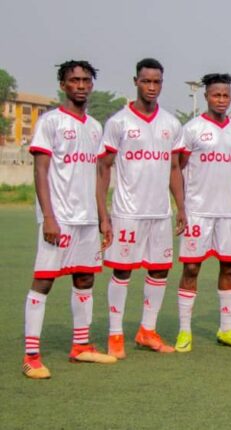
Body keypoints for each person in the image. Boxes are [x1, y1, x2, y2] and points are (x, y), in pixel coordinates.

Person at [23, 60, 116, 379]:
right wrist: (49, 217)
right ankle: (31, 355)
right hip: (59, 218)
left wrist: (104, 217)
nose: (80, 85)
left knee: (85, 278)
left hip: (87, 219)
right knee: (44, 280)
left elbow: (99, 175)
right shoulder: (50, 122)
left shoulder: (95, 127)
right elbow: (40, 171)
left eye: (86, 80)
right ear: (63, 85)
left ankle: (81, 346)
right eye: (74, 80)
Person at [97, 58, 183, 358]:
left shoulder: (171, 123)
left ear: (162, 83)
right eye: (146, 81)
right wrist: (103, 214)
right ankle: (115, 334)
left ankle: (147, 330)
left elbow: (175, 168)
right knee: (122, 271)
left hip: (160, 213)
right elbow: (103, 169)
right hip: (127, 212)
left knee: (159, 270)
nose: (151, 87)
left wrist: (181, 207)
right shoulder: (118, 122)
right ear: (136, 82)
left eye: (156, 82)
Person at [173, 73, 231, 352]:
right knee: (191, 268)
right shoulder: (192, 129)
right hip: (198, 212)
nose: (221, 100)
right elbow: (178, 168)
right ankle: (184, 331)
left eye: (225, 95)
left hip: (228, 213)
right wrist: (182, 207)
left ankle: (226, 329)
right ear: (206, 96)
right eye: (216, 95)